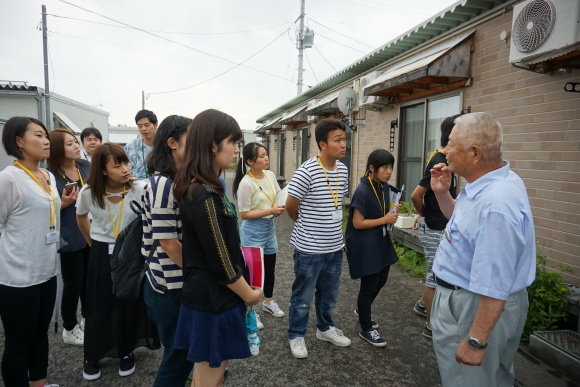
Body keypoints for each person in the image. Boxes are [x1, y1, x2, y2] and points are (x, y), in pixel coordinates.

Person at [429, 112, 535, 386]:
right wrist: (443, 194)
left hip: (471, 305)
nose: (445, 150)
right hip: (467, 299)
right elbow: (465, 228)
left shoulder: (496, 203)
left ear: (474, 154)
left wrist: (475, 341)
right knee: (492, 378)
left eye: (451, 144)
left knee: (469, 380)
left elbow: (495, 282)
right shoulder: (493, 182)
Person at [172, 109, 262, 387]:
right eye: (233, 142)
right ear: (212, 144)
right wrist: (250, 294)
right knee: (210, 377)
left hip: (207, 296)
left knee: (205, 375)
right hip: (213, 299)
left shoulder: (203, 187)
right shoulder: (205, 194)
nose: (237, 149)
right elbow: (221, 261)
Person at [76, 143, 160, 381]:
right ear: (102, 170)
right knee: (98, 304)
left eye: (126, 162)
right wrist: (93, 244)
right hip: (101, 251)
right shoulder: (88, 192)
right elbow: (81, 217)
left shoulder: (140, 188)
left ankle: (127, 351)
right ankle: (92, 356)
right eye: (117, 165)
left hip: (131, 253)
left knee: (127, 301)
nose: (125, 168)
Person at [0, 117, 60, 387]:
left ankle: (40, 384)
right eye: (38, 135)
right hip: (18, 276)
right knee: (18, 343)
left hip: (46, 270)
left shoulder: (48, 176)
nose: (46, 140)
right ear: (19, 142)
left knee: (41, 335)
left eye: (46, 135)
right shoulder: (8, 178)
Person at [285, 118, 351, 359]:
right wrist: (307, 228)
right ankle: (296, 334)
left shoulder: (343, 170)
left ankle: (325, 328)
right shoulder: (306, 171)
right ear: (323, 144)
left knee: (329, 294)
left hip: (334, 247)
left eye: (344, 139)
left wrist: (339, 238)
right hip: (309, 249)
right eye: (338, 140)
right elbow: (291, 206)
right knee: (302, 295)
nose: (343, 144)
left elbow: (336, 204)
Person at [141, 115, 193, 387]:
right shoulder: (162, 185)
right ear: (172, 143)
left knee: (180, 355)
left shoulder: (177, 179)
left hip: (173, 283)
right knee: (177, 357)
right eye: (191, 140)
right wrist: (200, 272)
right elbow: (169, 243)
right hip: (167, 287)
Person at [410, 114, 459, 339]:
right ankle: (431, 325)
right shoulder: (438, 160)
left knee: (435, 271)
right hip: (435, 226)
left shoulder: (445, 159)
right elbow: (416, 195)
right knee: (435, 276)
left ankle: (422, 305)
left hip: (439, 225)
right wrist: (423, 215)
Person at [345, 149, 400, 347]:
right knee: (369, 285)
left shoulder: (382, 186)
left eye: (390, 167)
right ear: (372, 168)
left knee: (382, 278)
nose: (389, 171)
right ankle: (366, 328)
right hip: (364, 243)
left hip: (379, 240)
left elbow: (381, 211)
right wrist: (385, 218)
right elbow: (358, 223)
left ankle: (363, 309)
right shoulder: (363, 190)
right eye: (385, 167)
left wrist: (392, 209)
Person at [233, 142, 286, 330]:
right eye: (262, 156)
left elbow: (279, 194)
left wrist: (281, 205)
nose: (266, 158)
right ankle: (250, 311)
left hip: (269, 226)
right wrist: (270, 210)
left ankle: (269, 302)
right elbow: (244, 214)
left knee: (269, 268)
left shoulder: (270, 175)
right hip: (253, 230)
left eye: (266, 154)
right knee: (254, 274)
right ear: (250, 161)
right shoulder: (246, 183)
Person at [47, 128, 91, 346]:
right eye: (69, 143)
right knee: (73, 282)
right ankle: (70, 328)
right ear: (57, 148)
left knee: (89, 280)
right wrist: (61, 204)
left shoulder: (86, 166)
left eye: (75, 142)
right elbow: (43, 209)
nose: (76, 146)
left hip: (91, 231)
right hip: (69, 234)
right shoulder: (50, 176)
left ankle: (86, 319)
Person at [125, 109, 158, 179]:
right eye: (140, 126)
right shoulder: (131, 146)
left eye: (147, 125)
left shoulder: (163, 146)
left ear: (155, 125)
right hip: (134, 187)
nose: (143, 129)